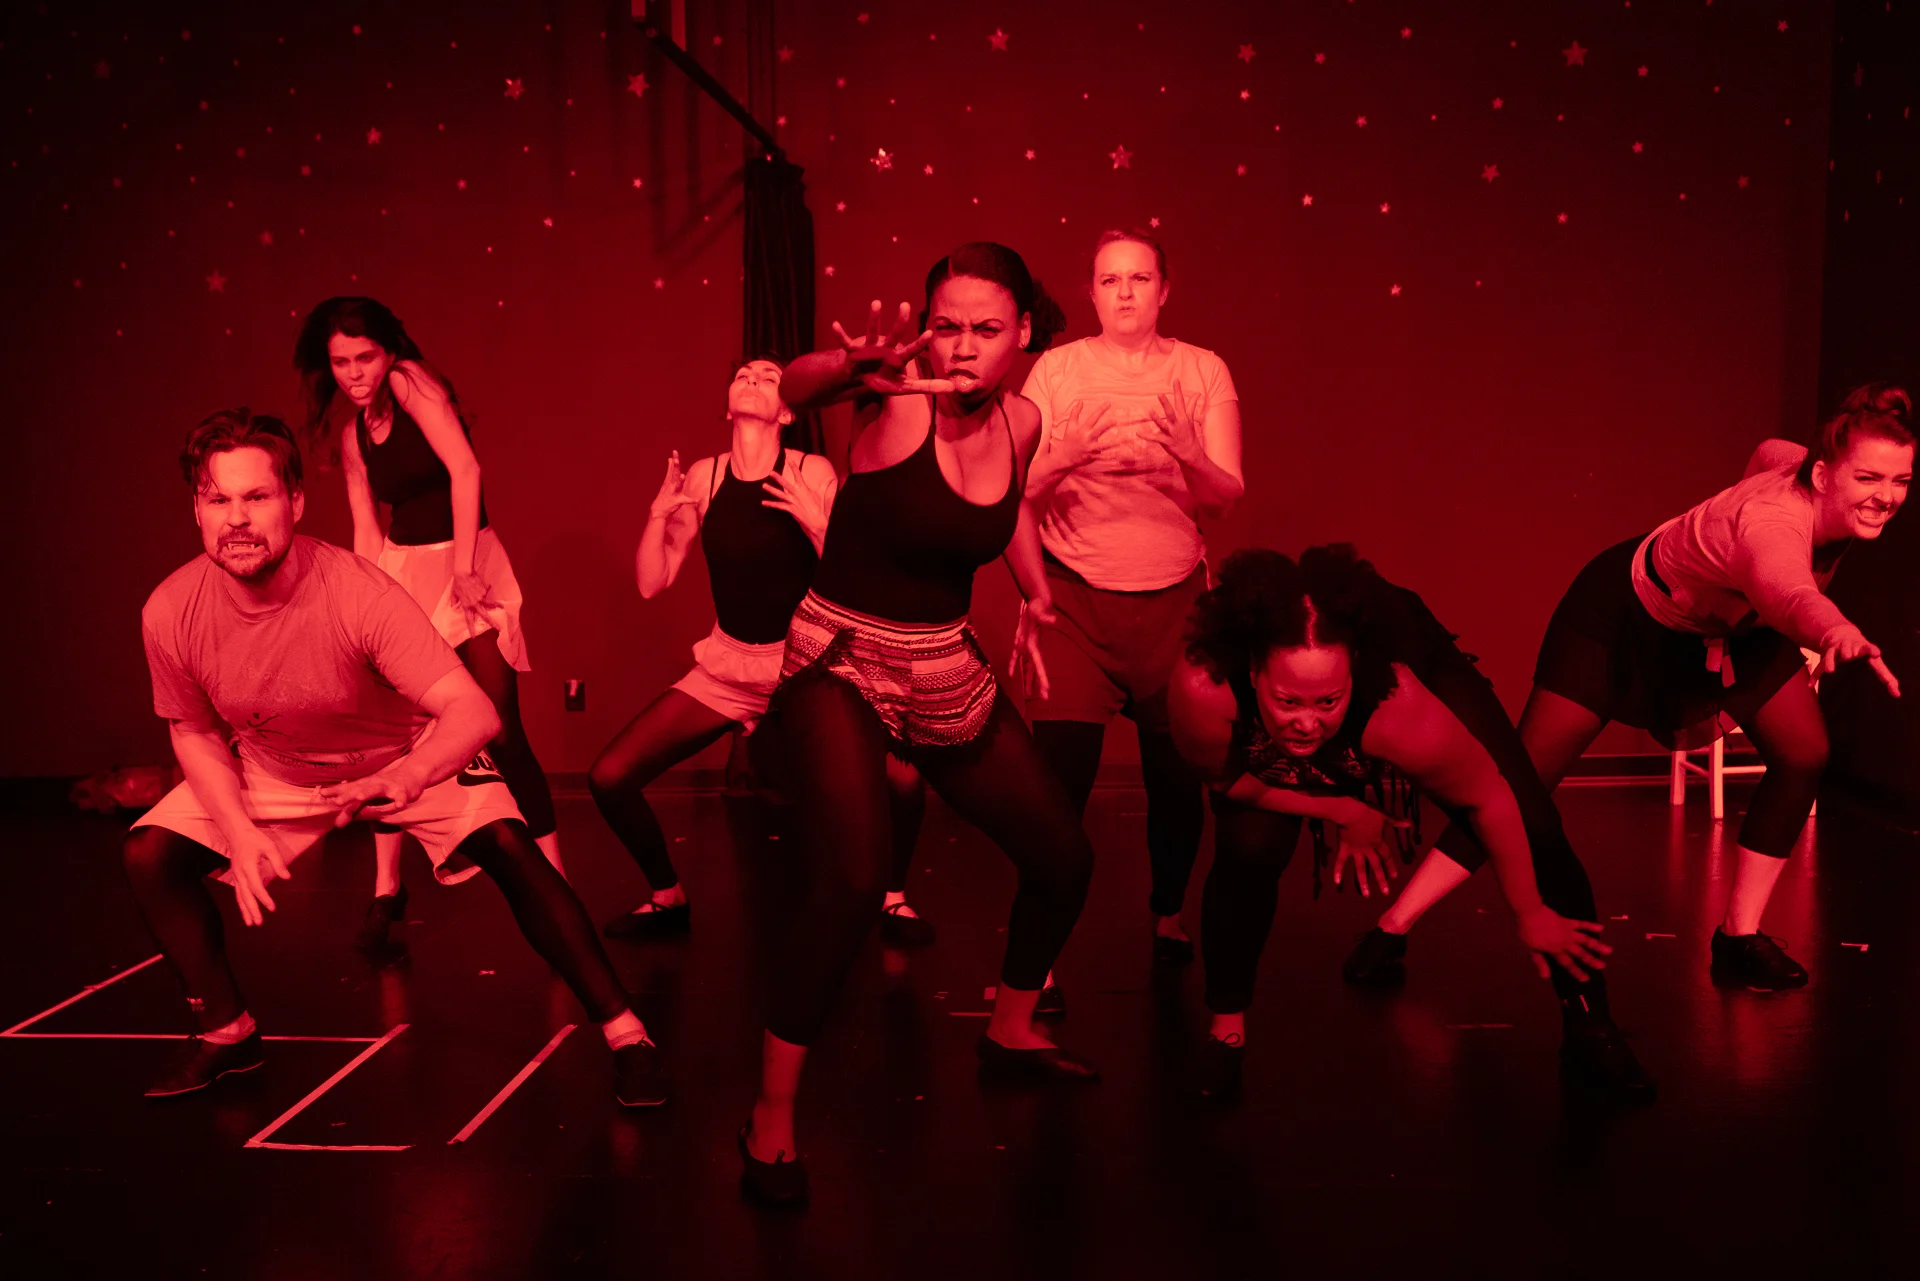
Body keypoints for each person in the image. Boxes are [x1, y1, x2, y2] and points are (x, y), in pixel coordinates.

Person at [121, 410, 664, 1106]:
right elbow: (193, 731)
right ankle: (228, 1031)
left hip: (398, 753)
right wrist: (237, 827)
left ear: (295, 501)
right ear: (197, 509)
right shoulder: (171, 609)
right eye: (218, 498)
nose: (237, 519)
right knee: (149, 854)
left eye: (256, 496)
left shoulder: (358, 592)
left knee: (509, 842)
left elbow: (473, 712)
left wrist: (404, 777)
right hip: (275, 766)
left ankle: (626, 1033)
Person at [736, 246, 1098, 1208]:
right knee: (854, 882)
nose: (964, 347)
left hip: (942, 663)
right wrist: (845, 366)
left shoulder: (1023, 419)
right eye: (948, 325)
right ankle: (771, 1114)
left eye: (987, 329)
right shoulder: (896, 398)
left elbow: (1010, 509)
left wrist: (1038, 595)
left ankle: (1010, 1029)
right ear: (927, 329)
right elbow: (794, 389)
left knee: (1064, 858)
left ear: (1024, 333)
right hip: (841, 658)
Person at [1343, 385, 1913, 992]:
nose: (1885, 496)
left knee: (1804, 753)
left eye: (1901, 480)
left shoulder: (1796, 467)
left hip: (1727, 629)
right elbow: (1789, 591)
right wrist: (1835, 629)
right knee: (1517, 782)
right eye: (1868, 478)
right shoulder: (1771, 527)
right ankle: (1392, 927)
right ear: (1822, 475)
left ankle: (1738, 938)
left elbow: (1771, 449)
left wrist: (1727, 539)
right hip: (1622, 620)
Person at [1170, 546, 1651, 1102]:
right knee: (1247, 846)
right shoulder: (1206, 687)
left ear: (1353, 675)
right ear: (1253, 673)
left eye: (1328, 702)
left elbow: (1488, 798)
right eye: (1286, 702)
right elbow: (1225, 782)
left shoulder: (1396, 702)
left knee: (1532, 821)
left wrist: (1530, 911)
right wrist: (1340, 808)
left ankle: (1589, 1023)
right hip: (1281, 722)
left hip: (1410, 659)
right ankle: (1225, 1031)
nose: (1306, 724)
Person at [588, 358, 934, 945]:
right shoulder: (704, 477)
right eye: (743, 375)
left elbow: (854, 580)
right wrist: (655, 517)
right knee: (609, 776)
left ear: (787, 412)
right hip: (728, 667)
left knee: (901, 782)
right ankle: (668, 896)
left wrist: (815, 522)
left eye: (768, 377)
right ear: (728, 405)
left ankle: (893, 897)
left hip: (809, 666)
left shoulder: (809, 470)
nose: (751, 380)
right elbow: (652, 581)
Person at [294, 297, 561, 954]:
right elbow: (366, 526)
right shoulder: (353, 433)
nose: (355, 373)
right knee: (395, 736)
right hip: (406, 573)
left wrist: (465, 567)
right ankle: (388, 888)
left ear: (388, 352)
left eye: (364, 357)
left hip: (467, 562)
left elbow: (466, 470)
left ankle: (557, 884)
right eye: (341, 362)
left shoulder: (412, 385)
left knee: (502, 726)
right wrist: (359, 603)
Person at [1020, 229, 1243, 1001]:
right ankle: (1036, 954)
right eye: (1110, 279)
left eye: (1139, 278)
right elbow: (1013, 491)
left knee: (1175, 784)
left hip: (1174, 604)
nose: (1124, 291)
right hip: (1074, 603)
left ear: (1163, 290)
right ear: (1091, 291)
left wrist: (1188, 453)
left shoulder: (1202, 370)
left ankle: (1167, 911)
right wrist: (1062, 456)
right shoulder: (1056, 371)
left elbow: (1224, 497)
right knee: (1056, 788)